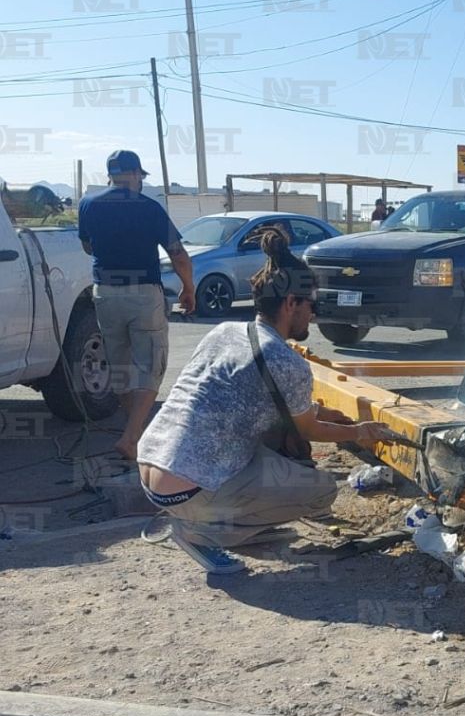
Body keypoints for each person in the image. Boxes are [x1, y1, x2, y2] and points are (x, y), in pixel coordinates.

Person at [136, 227, 397, 574]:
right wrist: (361, 431)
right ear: (291, 303)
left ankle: (221, 517)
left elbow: (256, 401)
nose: (314, 315)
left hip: (151, 465)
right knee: (320, 491)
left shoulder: (225, 331)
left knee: (278, 456)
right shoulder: (285, 361)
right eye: (311, 305)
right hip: (188, 490)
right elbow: (310, 431)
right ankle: (201, 533)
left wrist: (330, 415)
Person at [78, 150, 196, 460]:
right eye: (141, 176)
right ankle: (131, 439)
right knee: (151, 365)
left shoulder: (88, 204)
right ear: (134, 174)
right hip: (143, 293)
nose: (141, 181)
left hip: (104, 292)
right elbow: (179, 254)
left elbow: (88, 245)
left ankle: (137, 435)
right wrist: (188, 288)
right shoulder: (149, 208)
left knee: (119, 366)